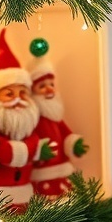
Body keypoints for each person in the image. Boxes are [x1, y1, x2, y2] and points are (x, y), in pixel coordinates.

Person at [0, 30, 54, 212]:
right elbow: (0, 149)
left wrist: (37, 148)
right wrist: (33, 150)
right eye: (9, 94)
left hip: (25, 199)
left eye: (23, 93)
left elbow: (33, 140)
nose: (18, 99)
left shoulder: (29, 129)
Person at [29, 47, 88, 197]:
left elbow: (66, 133)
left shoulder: (56, 118)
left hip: (62, 166)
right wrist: (39, 150)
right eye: (42, 86)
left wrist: (74, 144)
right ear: (33, 91)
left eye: (51, 84)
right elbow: (32, 138)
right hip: (42, 170)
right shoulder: (34, 118)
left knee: (66, 196)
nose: (49, 89)